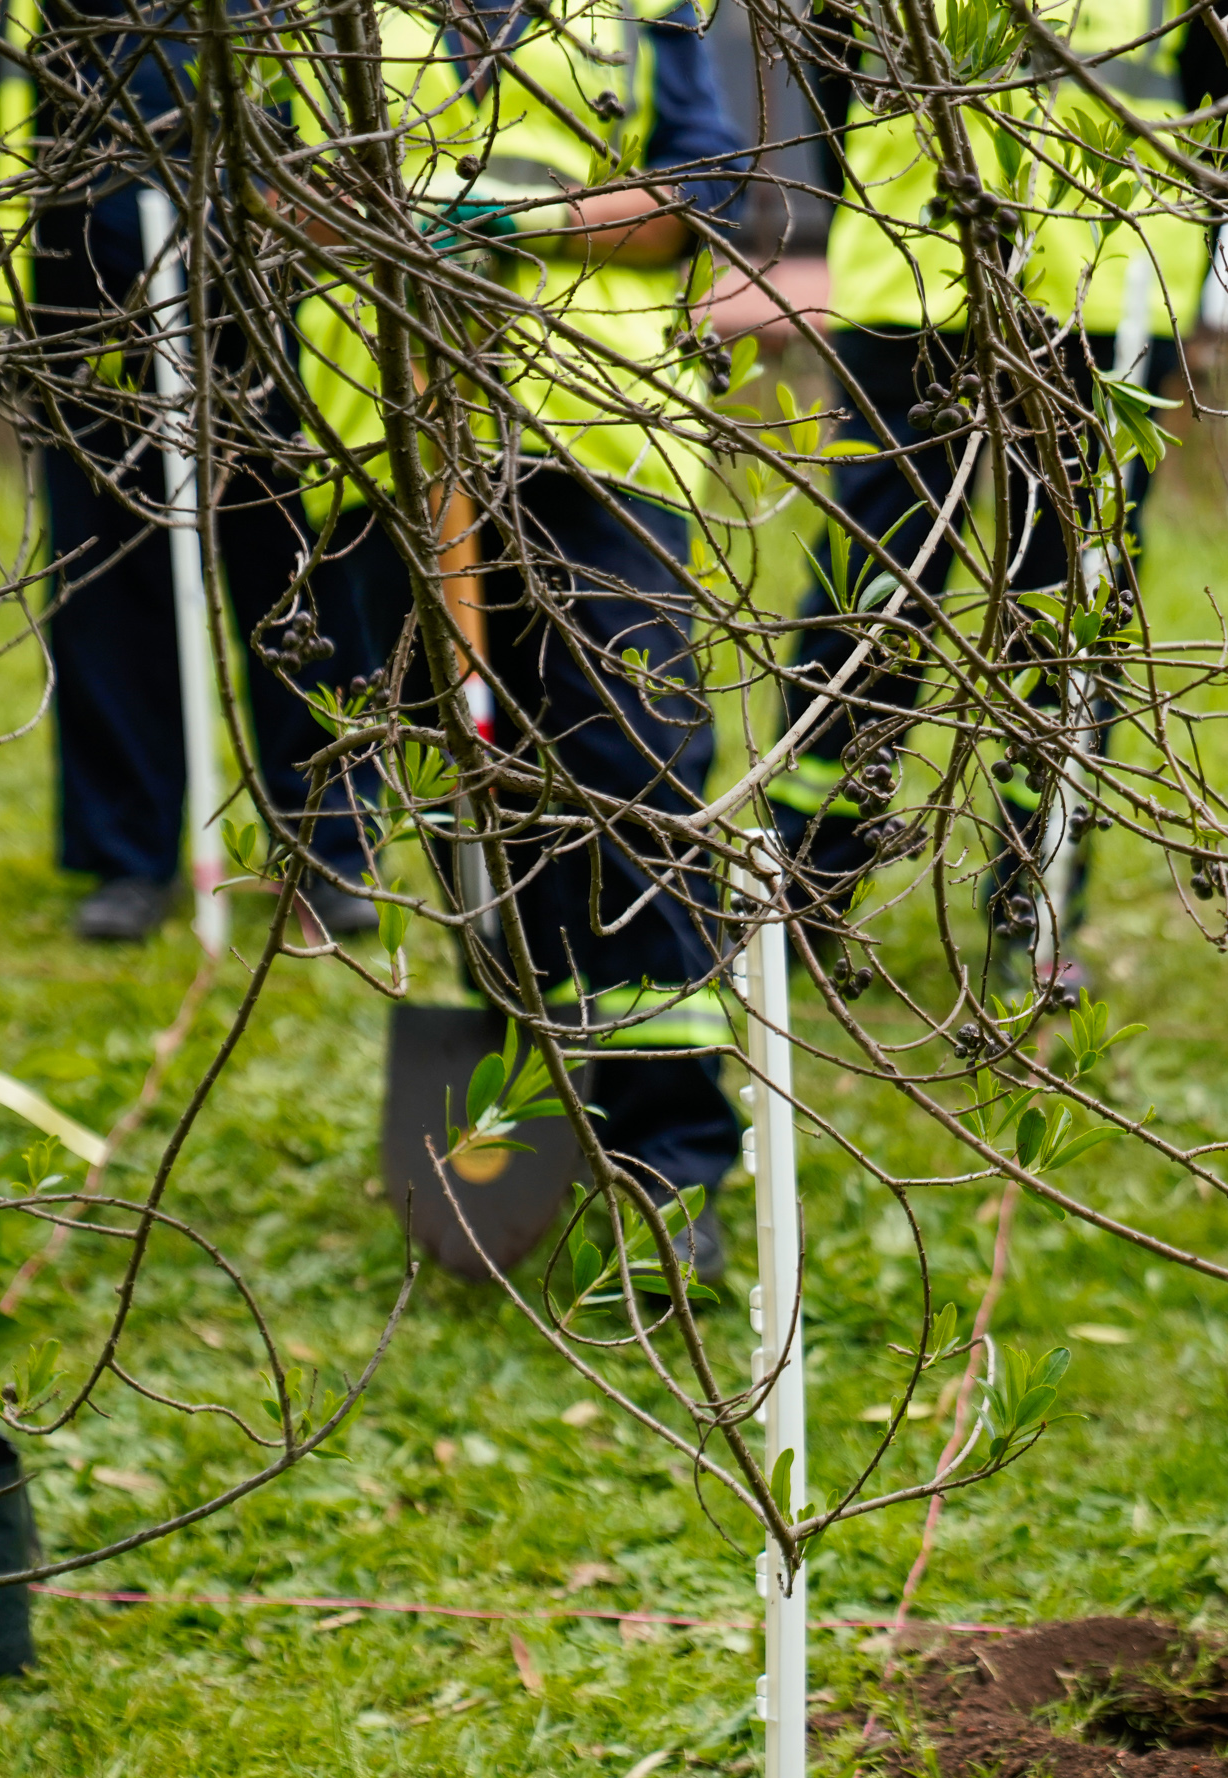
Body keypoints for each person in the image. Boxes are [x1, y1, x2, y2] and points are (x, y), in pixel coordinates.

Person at [764, 0, 1228, 997]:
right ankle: (804, 885)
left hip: (1108, 302)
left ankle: (1035, 907)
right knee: (876, 594)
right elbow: (830, 70)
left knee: (1063, 617)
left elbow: (1212, 94)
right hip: (915, 284)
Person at [0, 0, 388, 944]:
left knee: (300, 573)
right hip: (80, 299)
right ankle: (128, 853)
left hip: (274, 292)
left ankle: (329, 841)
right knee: (108, 576)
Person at [442, 0, 750, 1271]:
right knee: (466, 795)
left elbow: (705, 190)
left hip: (595, 440)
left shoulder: (643, 6)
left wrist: (521, 224)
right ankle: (509, 1145)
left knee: (632, 780)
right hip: (396, 452)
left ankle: (671, 1158)